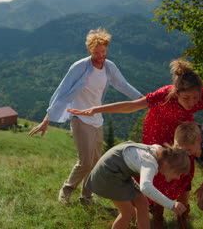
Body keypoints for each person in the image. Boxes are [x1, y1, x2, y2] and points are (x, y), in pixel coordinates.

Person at [68, 58, 203, 227]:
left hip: (182, 134)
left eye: (195, 98)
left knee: (184, 171)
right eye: (186, 98)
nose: (192, 102)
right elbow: (133, 105)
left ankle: (183, 214)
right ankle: (157, 214)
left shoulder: (202, 96)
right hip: (156, 132)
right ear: (176, 92)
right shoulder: (164, 95)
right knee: (155, 172)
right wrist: (95, 109)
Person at [28, 28, 142, 205]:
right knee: (85, 161)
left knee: (96, 162)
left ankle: (86, 196)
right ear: (89, 50)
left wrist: (144, 100)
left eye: (103, 51)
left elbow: (123, 85)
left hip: (97, 119)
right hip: (80, 118)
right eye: (97, 52)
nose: (101, 55)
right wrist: (47, 119)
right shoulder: (79, 67)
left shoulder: (109, 67)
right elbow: (62, 92)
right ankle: (67, 189)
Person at [87, 141, 190, 229]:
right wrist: (171, 205)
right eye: (178, 173)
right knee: (128, 212)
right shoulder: (150, 164)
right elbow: (145, 187)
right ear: (167, 164)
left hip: (120, 172)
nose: (178, 178)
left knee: (142, 204)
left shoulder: (160, 152)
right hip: (109, 174)